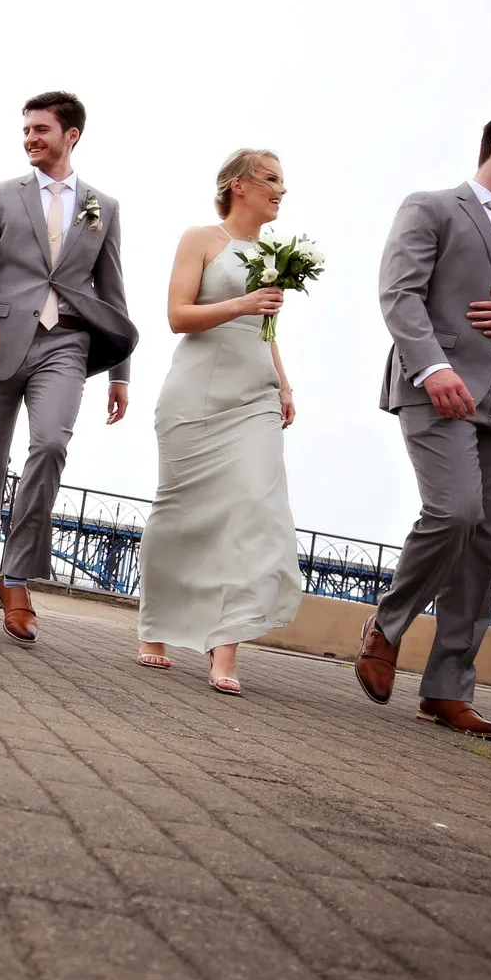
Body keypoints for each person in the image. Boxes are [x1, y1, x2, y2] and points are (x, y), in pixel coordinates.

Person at [355, 109, 491, 740]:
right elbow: (399, 293)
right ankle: (388, 625)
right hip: (440, 385)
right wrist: (432, 368)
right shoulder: (431, 207)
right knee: (453, 512)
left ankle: (449, 688)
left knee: (484, 542)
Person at [0, 92, 136, 644]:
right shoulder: (0, 195)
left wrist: (120, 373)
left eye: (40, 130)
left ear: (70, 135)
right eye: (25, 129)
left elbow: (113, 293)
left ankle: (19, 577)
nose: (29, 138)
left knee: (50, 445)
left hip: (66, 346)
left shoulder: (104, 207)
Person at [135, 150, 305, 695]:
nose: (283, 189)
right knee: (179, 511)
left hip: (254, 394)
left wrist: (283, 381)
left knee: (254, 508)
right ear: (239, 185)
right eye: (272, 179)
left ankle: (224, 648)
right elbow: (177, 316)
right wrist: (243, 302)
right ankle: (154, 626)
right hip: (196, 392)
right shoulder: (201, 239)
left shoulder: (276, 253)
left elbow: (267, 327)